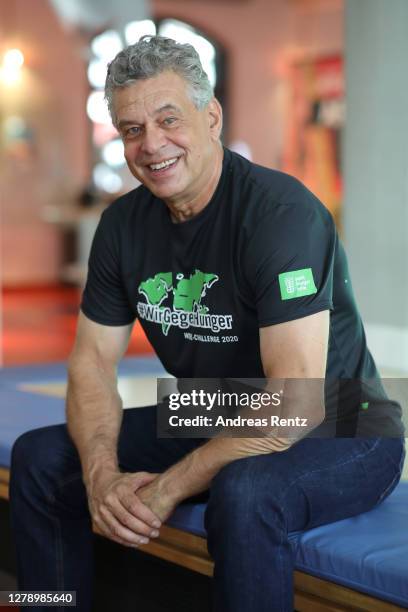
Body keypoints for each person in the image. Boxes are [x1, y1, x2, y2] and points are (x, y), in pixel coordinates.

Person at [10, 36, 405, 612]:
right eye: (131, 129)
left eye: (168, 119)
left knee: (243, 492)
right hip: (215, 406)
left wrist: (166, 488)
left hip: (345, 420)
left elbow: (296, 403)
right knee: (41, 457)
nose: (151, 145)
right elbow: (92, 361)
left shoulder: (280, 215)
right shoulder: (122, 226)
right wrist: (100, 477)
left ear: (211, 115)